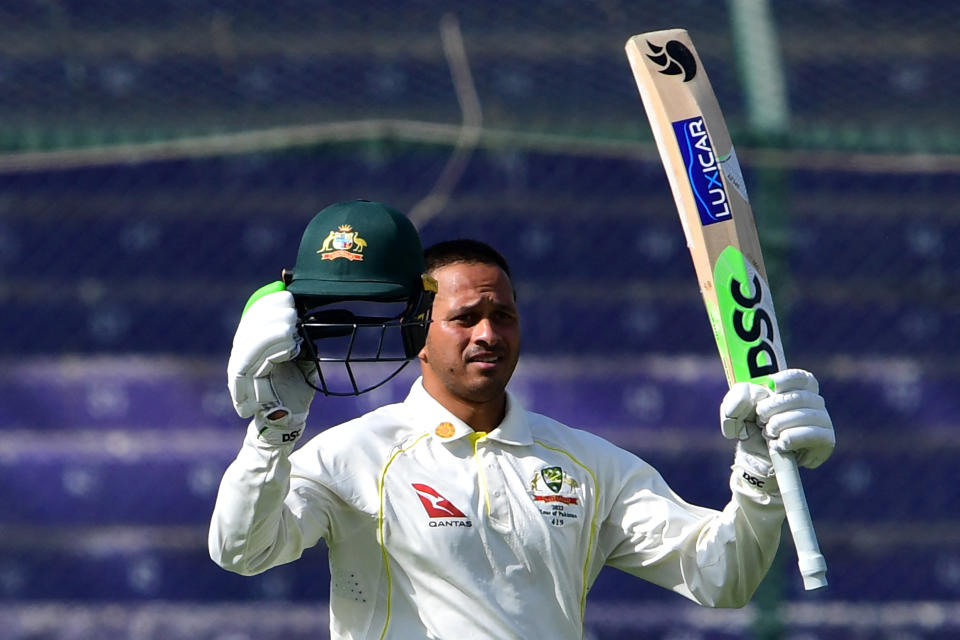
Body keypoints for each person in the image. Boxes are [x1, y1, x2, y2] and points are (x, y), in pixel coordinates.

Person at [210, 200, 836, 639]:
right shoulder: (353, 455)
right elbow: (241, 550)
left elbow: (722, 576)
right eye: (465, 318)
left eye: (503, 316)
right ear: (417, 335)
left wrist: (758, 470)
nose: (488, 334)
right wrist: (271, 432)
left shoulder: (586, 463)